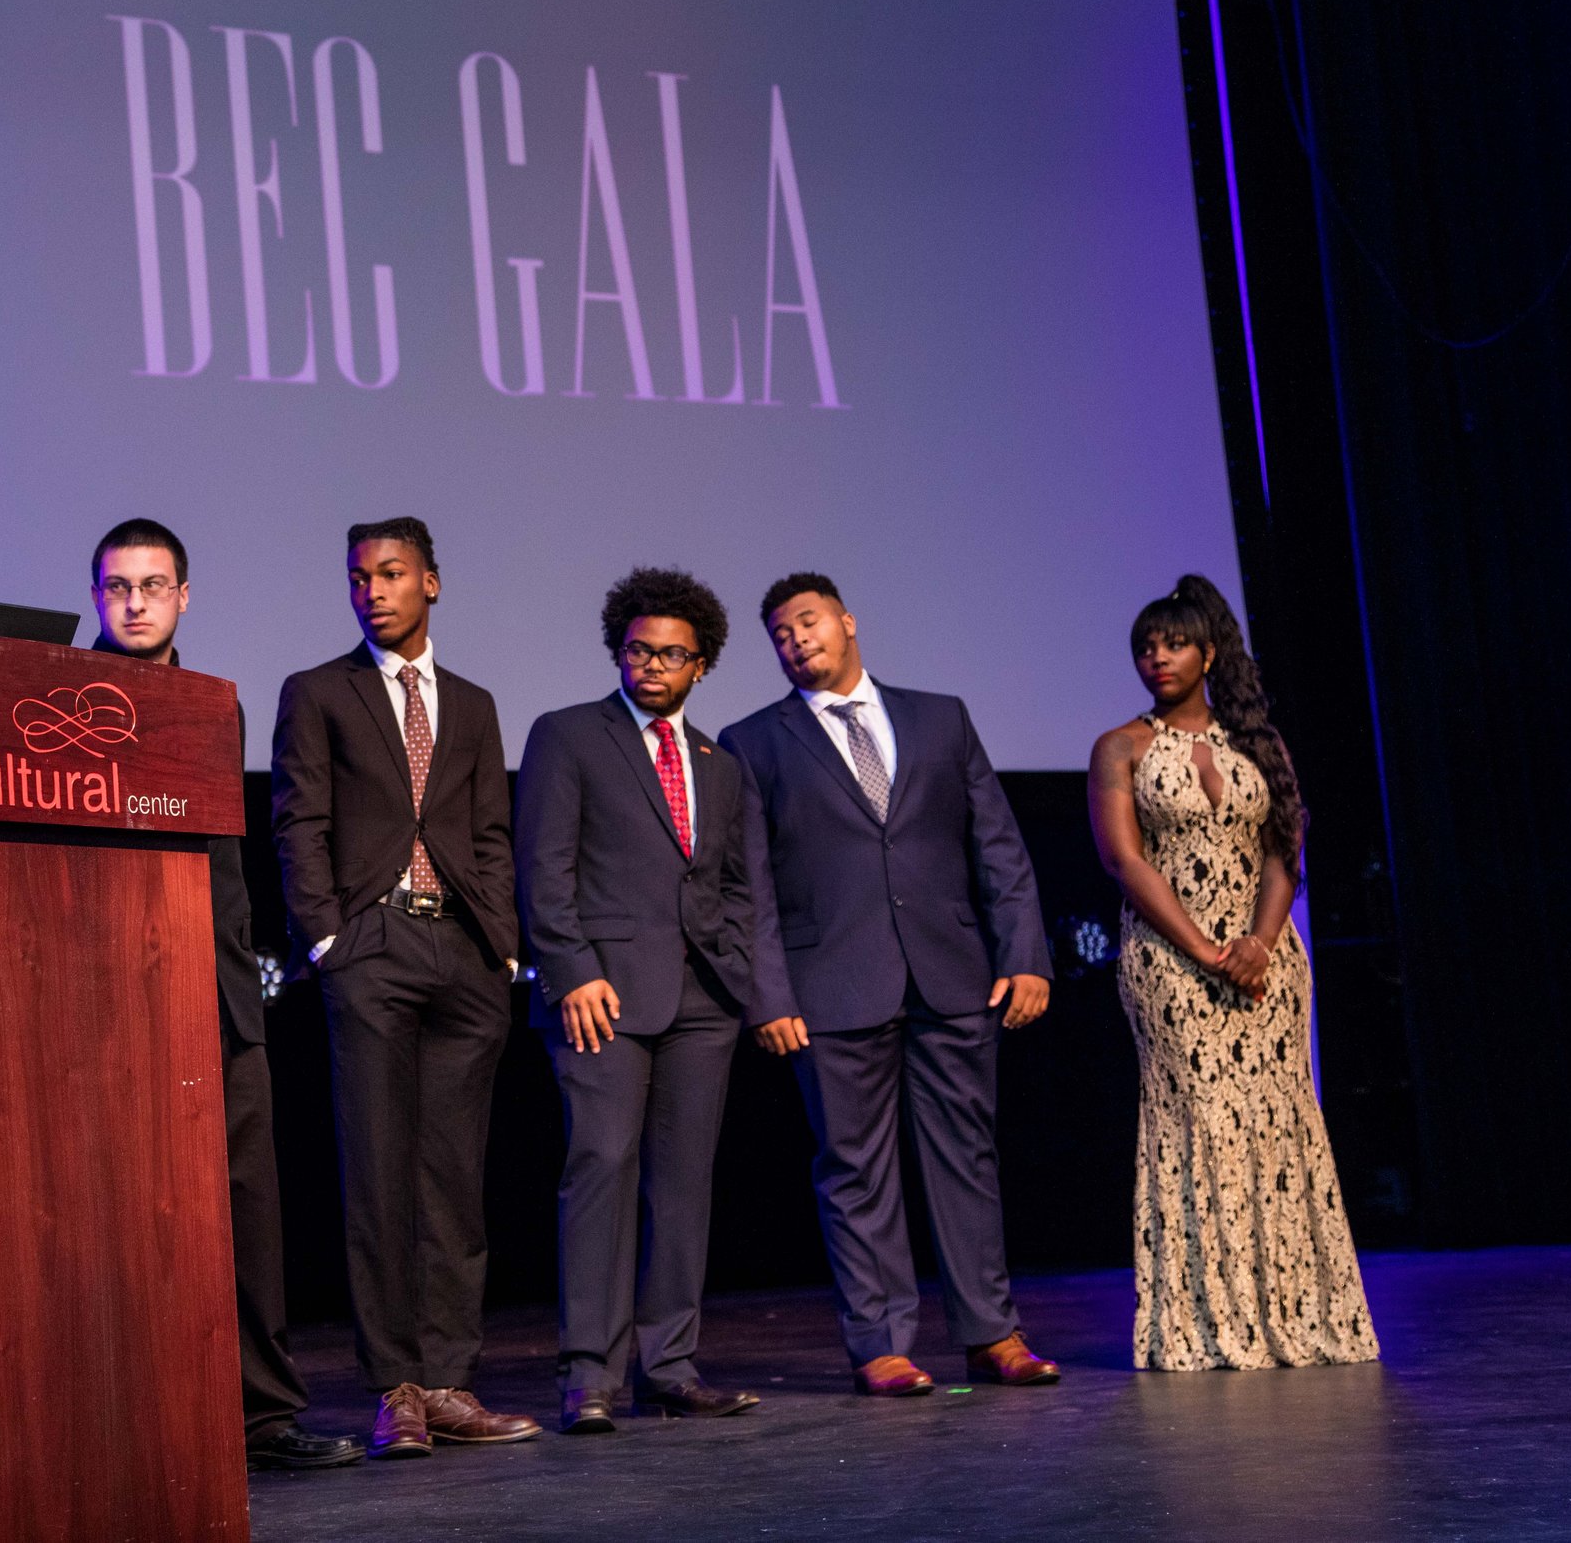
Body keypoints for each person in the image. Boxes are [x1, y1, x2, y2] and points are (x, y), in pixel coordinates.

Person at [719, 573, 1060, 1397]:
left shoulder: (940, 717)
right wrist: (769, 994)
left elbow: (998, 845)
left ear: (847, 621)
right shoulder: (752, 741)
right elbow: (748, 883)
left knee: (967, 1158)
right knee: (854, 1168)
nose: (795, 640)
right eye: (779, 634)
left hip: (952, 974)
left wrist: (1025, 954)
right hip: (829, 986)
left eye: (807, 622)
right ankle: (880, 1342)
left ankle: (992, 1332)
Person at [85, 518, 361, 1472]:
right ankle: (132, 1416)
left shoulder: (214, 703)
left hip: (218, 990)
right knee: (123, 1214)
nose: (135, 603)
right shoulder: (59, 703)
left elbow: (226, 864)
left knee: (246, 1209)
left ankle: (264, 1415)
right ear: (96, 597)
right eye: (118, 587)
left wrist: (240, 985)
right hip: (111, 998)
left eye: (153, 586)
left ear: (184, 597)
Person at [270, 517, 540, 1458]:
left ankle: (452, 1380)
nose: (373, 590)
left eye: (391, 573)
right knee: (380, 1173)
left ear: (432, 581)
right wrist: (328, 938)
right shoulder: (319, 691)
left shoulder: (472, 703)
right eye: (359, 577)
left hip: (464, 951)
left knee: (454, 1178)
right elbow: (298, 823)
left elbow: (491, 832)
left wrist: (501, 947)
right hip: (372, 943)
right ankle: (398, 1388)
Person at [1086, 574, 1378, 1371]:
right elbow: (1124, 861)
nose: (1157, 658)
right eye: (1145, 647)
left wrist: (1258, 941)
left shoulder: (1258, 742)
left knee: (1278, 1124)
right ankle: (1212, 1320)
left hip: (1267, 964)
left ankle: (1296, 1314)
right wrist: (1207, 949)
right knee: (1202, 1123)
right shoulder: (1120, 746)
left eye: (1174, 643)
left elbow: (1286, 849)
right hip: (1171, 963)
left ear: (1209, 653)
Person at [515, 568, 767, 1433]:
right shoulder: (568, 735)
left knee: (684, 1186)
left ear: (702, 665)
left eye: (671, 654)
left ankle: (670, 1365)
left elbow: (733, 881)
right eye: (638, 650)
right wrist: (572, 969)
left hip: (704, 997)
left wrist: (737, 969)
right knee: (601, 1167)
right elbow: (544, 867)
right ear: (618, 650)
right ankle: (589, 1374)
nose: (652, 665)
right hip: (602, 994)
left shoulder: (720, 764)